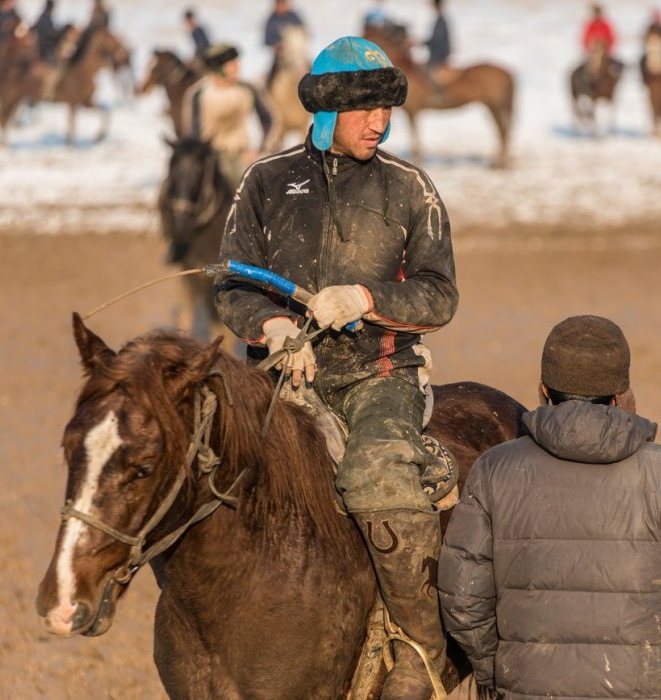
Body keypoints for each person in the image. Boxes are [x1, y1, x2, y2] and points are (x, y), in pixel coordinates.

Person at [214, 35, 456, 698]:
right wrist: (270, 325)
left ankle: (422, 648)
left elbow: (439, 293)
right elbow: (231, 282)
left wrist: (368, 298)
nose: (380, 121)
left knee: (377, 472)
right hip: (282, 372)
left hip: (381, 375)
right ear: (328, 110)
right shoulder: (264, 181)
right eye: (365, 108)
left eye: (387, 108)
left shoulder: (411, 187)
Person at [439, 315, 661, 699]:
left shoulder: (494, 469)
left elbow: (462, 598)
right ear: (620, 396)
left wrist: (502, 669)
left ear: (542, 391)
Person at [182, 43, 278, 187]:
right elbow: (194, 131)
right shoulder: (199, 94)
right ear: (218, 68)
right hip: (211, 156)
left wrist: (260, 150)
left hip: (242, 155)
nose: (237, 66)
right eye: (232, 64)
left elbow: (269, 119)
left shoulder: (248, 89)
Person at [263, 0, 304, 89]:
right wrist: (276, 45)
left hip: (297, 53)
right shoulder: (271, 20)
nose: (282, 7)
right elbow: (266, 39)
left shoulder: (294, 17)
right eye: (280, 5)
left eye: (284, 4)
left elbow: (303, 32)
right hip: (280, 55)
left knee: (310, 67)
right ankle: (268, 89)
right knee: (272, 75)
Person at [424, 0, 450, 75]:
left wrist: (421, 43)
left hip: (438, 57)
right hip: (439, 55)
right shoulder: (441, 20)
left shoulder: (441, 21)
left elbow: (436, 40)